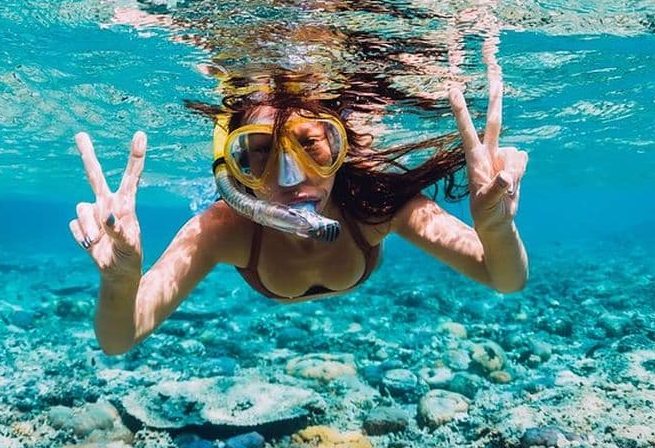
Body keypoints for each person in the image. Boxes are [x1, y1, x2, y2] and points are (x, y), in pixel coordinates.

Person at [69, 36, 529, 356]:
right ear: (236, 167)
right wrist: (120, 281)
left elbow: (505, 278)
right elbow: (118, 339)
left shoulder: (372, 208)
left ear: (340, 149)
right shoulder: (223, 230)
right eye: (263, 152)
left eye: (310, 145)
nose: (289, 178)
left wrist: (495, 228)